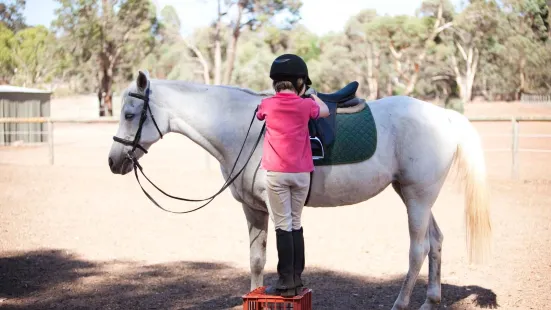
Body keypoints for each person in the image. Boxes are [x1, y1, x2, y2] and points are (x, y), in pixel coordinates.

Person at [255, 54, 330, 297]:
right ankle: (297, 277)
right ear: (299, 83)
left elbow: (258, 115)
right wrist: (312, 95)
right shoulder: (307, 104)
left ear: (275, 82)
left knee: (283, 225)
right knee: (296, 223)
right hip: (302, 174)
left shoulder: (267, 104)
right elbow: (326, 112)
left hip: (276, 173)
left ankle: (286, 282)